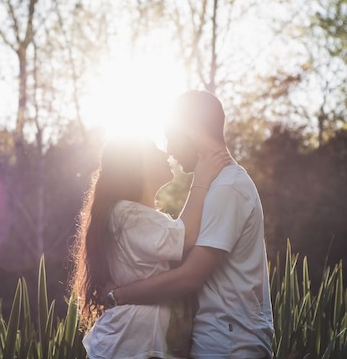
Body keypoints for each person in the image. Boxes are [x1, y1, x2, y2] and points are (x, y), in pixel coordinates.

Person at [107, 90, 274, 359]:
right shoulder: (216, 185)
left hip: (228, 344)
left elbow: (190, 275)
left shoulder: (227, 187)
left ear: (194, 132)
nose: (170, 150)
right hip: (220, 339)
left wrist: (119, 295)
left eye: (171, 137)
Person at [69, 135, 230, 359]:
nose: (165, 154)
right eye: (155, 151)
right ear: (135, 166)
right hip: (126, 346)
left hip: (131, 345)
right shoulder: (126, 213)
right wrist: (202, 179)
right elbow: (186, 237)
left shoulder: (135, 216)